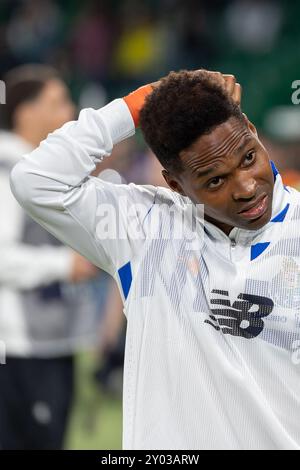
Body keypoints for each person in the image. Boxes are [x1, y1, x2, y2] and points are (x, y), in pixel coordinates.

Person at [10, 69, 300, 450]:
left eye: (249, 158)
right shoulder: (144, 226)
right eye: (215, 181)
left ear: (251, 129)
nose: (246, 187)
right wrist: (137, 104)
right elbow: (36, 179)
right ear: (176, 183)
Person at [0, 64, 99, 449]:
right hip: (18, 346)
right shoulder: (7, 169)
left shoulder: (40, 169)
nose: (70, 111)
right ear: (25, 111)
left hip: (49, 340)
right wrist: (65, 264)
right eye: (57, 102)